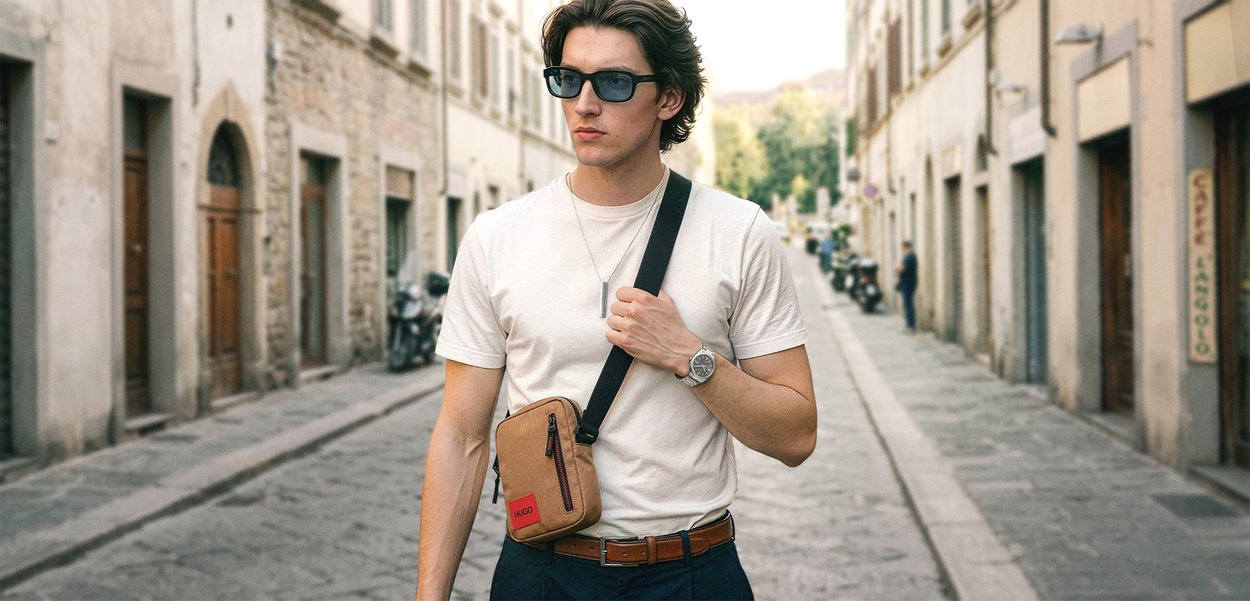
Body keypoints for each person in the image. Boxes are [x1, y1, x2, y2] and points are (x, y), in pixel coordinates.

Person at [415, 1, 817, 599]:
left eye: (615, 82)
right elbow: (461, 435)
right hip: (543, 571)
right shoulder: (497, 236)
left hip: (690, 572)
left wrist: (690, 358)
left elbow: (796, 436)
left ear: (669, 98)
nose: (584, 103)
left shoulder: (737, 231)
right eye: (569, 79)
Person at [894, 240, 918, 332]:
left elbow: (901, 268)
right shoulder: (911, 255)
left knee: (908, 304)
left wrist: (896, 267)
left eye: (902, 248)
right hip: (909, 282)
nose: (901, 250)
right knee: (908, 303)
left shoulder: (909, 256)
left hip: (908, 283)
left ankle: (910, 326)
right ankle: (910, 325)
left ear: (905, 247)